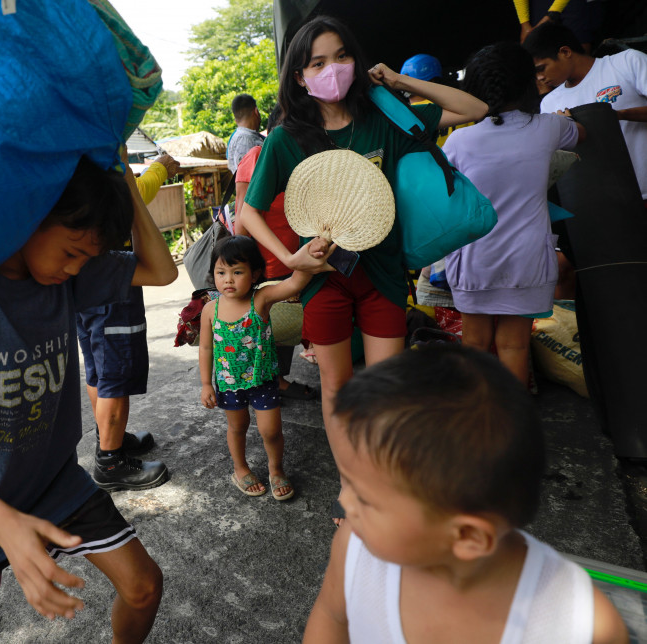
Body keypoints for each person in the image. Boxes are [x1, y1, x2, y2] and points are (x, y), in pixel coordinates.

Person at [0, 154, 178, 644]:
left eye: (86, 260)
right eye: (72, 251)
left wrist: (124, 184)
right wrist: (1, 523)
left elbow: (160, 271)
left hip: (54, 484)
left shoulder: (68, 276)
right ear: (29, 214)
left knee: (143, 586)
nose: (75, 268)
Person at [237, 15, 487, 522]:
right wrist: (290, 261)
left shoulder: (385, 118)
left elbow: (475, 108)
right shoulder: (288, 137)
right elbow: (247, 212)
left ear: (358, 60)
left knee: (387, 385)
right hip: (324, 281)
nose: (333, 69)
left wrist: (397, 81)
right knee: (338, 388)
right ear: (300, 76)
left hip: (383, 275)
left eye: (342, 56)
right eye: (318, 63)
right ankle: (353, 487)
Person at [303, 344, 629, 643]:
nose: (345, 503)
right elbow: (332, 617)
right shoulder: (355, 549)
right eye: (347, 483)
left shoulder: (581, 626)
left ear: (468, 536)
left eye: (364, 498)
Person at [442, 42, 584, 385]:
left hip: (476, 260)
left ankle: (479, 423)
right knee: (514, 346)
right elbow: (581, 133)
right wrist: (565, 120)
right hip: (528, 261)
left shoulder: (459, 142)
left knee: (474, 344)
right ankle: (515, 431)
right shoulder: (547, 128)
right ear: (525, 83)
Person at [78, 152, 180, 491]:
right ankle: (110, 461)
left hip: (88, 274)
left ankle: (111, 440)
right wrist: (156, 170)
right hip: (112, 274)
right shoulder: (105, 151)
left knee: (98, 367)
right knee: (115, 373)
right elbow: (133, 194)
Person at [199, 235, 311, 499]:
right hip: (228, 384)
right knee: (237, 427)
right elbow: (206, 349)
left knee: (271, 431)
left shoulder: (260, 299)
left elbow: (296, 282)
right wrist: (205, 384)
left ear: (255, 274)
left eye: (237, 272)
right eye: (221, 272)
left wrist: (309, 254)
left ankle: (276, 469)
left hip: (263, 381)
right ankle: (240, 468)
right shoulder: (210, 310)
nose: (228, 279)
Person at [233, 104, 316, 401]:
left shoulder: (304, 160)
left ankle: (277, 379)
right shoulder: (255, 157)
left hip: (293, 257)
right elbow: (242, 219)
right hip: (265, 262)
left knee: (283, 327)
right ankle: (262, 383)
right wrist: (242, 270)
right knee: (263, 325)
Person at [524, 21, 647, 201]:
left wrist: (619, 115)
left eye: (541, 68)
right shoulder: (549, 103)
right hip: (607, 204)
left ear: (565, 52)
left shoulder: (627, 62)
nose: (540, 78)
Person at [513, 0, 606, 52]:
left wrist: (550, 16)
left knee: (576, 52)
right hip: (539, 4)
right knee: (538, 52)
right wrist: (524, 23)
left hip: (575, 5)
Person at [226, 94, 265, 175]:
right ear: (256, 112)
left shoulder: (235, 137)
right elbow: (248, 176)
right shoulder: (246, 139)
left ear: (235, 119)